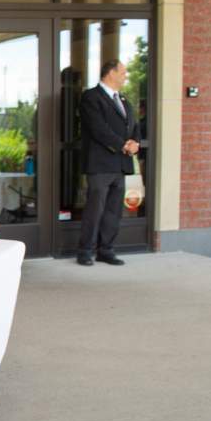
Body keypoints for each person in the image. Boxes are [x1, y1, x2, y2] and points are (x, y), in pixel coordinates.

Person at [77, 59, 141, 266]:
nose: (125, 76)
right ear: (110, 73)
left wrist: (135, 143)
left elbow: (133, 124)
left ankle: (106, 250)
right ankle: (85, 251)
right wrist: (123, 144)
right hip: (100, 164)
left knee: (113, 211)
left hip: (120, 164)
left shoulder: (122, 99)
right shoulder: (91, 97)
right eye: (122, 72)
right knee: (95, 209)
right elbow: (98, 129)